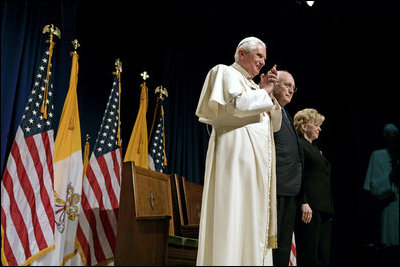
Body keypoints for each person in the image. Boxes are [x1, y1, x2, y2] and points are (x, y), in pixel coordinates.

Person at [195, 36, 282, 265]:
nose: (263, 61)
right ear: (241, 54)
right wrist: (264, 92)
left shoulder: (255, 87)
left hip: (255, 172)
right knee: (232, 218)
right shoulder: (224, 72)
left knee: (251, 223)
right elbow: (236, 106)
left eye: (265, 57)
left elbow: (274, 124)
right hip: (233, 162)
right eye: (259, 55)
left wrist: (267, 92)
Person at [293, 108, 334, 266]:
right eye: (316, 124)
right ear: (304, 126)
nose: (319, 128)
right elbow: (299, 175)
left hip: (323, 208)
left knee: (323, 255)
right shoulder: (300, 146)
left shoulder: (316, 149)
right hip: (310, 208)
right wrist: (304, 201)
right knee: (310, 255)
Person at [271, 70, 303, 266]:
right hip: (276, 186)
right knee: (274, 246)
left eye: (293, 87)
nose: (291, 90)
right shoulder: (268, 109)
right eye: (287, 85)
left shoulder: (285, 113)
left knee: (283, 246)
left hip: (290, 189)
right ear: (274, 85)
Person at [363, 123, 399, 247]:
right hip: (389, 207)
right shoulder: (378, 156)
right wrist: (390, 175)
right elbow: (373, 188)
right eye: (389, 137)